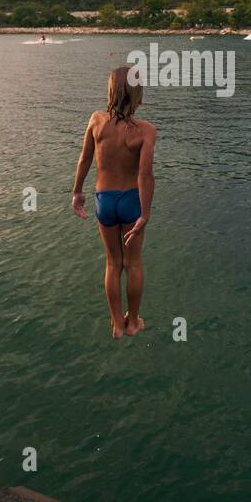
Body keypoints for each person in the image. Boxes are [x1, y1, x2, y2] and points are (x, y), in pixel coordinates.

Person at [71, 65, 156, 339]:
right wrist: (144, 213)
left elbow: (84, 159)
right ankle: (133, 322)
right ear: (138, 95)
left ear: (110, 90)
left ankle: (117, 323)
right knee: (133, 264)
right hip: (131, 201)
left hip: (104, 200)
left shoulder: (96, 120)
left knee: (112, 263)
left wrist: (77, 192)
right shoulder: (146, 131)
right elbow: (145, 175)